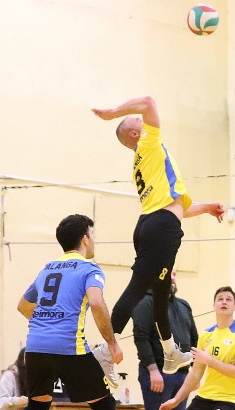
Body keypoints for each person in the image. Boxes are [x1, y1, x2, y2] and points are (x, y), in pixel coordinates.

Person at [0, 214, 136, 410]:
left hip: (35, 347)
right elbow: (97, 303)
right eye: (93, 234)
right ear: (85, 239)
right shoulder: (89, 268)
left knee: (37, 406)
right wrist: (112, 343)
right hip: (68, 347)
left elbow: (23, 306)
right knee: (105, 406)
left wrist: (47, 325)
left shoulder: (47, 269)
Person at [91, 96, 225, 376]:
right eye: (137, 120)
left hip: (155, 224)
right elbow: (148, 102)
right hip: (161, 228)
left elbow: (177, 207)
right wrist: (113, 112)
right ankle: (105, 350)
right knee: (137, 289)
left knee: (162, 294)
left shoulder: (144, 160)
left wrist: (206, 208)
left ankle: (170, 352)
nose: (143, 119)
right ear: (134, 133)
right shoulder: (148, 144)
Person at [133, 269, 198, 410]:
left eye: (174, 274)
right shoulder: (145, 303)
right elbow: (141, 338)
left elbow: (194, 339)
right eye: (168, 273)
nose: (172, 278)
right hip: (158, 374)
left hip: (182, 376)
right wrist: (153, 370)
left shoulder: (183, 305)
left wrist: (194, 372)